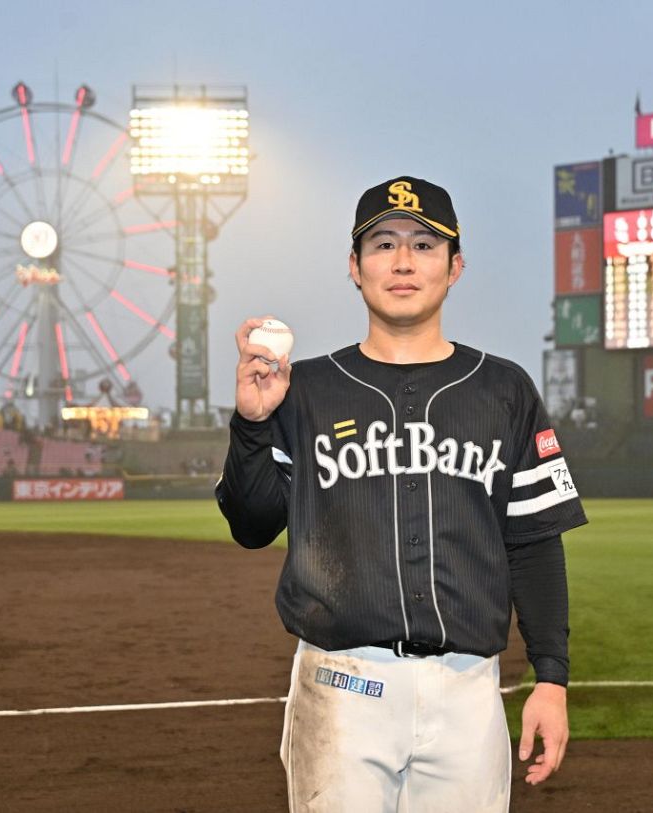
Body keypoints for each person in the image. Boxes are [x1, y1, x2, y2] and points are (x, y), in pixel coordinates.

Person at [216, 176, 587, 811]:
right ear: (355, 268)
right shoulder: (302, 391)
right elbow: (253, 525)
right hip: (340, 683)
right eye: (383, 244)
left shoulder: (503, 390)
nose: (404, 261)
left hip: (467, 689)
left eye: (424, 244)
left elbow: (533, 541)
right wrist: (253, 422)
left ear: (455, 266)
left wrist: (550, 678)